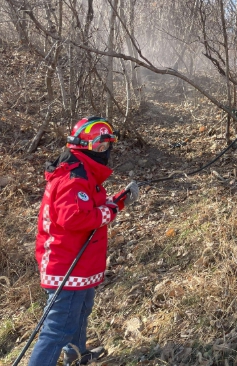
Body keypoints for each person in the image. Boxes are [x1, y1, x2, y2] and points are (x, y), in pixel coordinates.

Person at [28, 117, 139, 366]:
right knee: (57, 329)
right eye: (101, 146)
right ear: (87, 146)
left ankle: (76, 355)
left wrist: (118, 201)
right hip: (65, 265)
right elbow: (74, 217)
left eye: (107, 146)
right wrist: (110, 212)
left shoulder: (82, 170)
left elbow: (87, 206)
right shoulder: (74, 177)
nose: (105, 151)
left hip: (78, 263)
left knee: (80, 311)